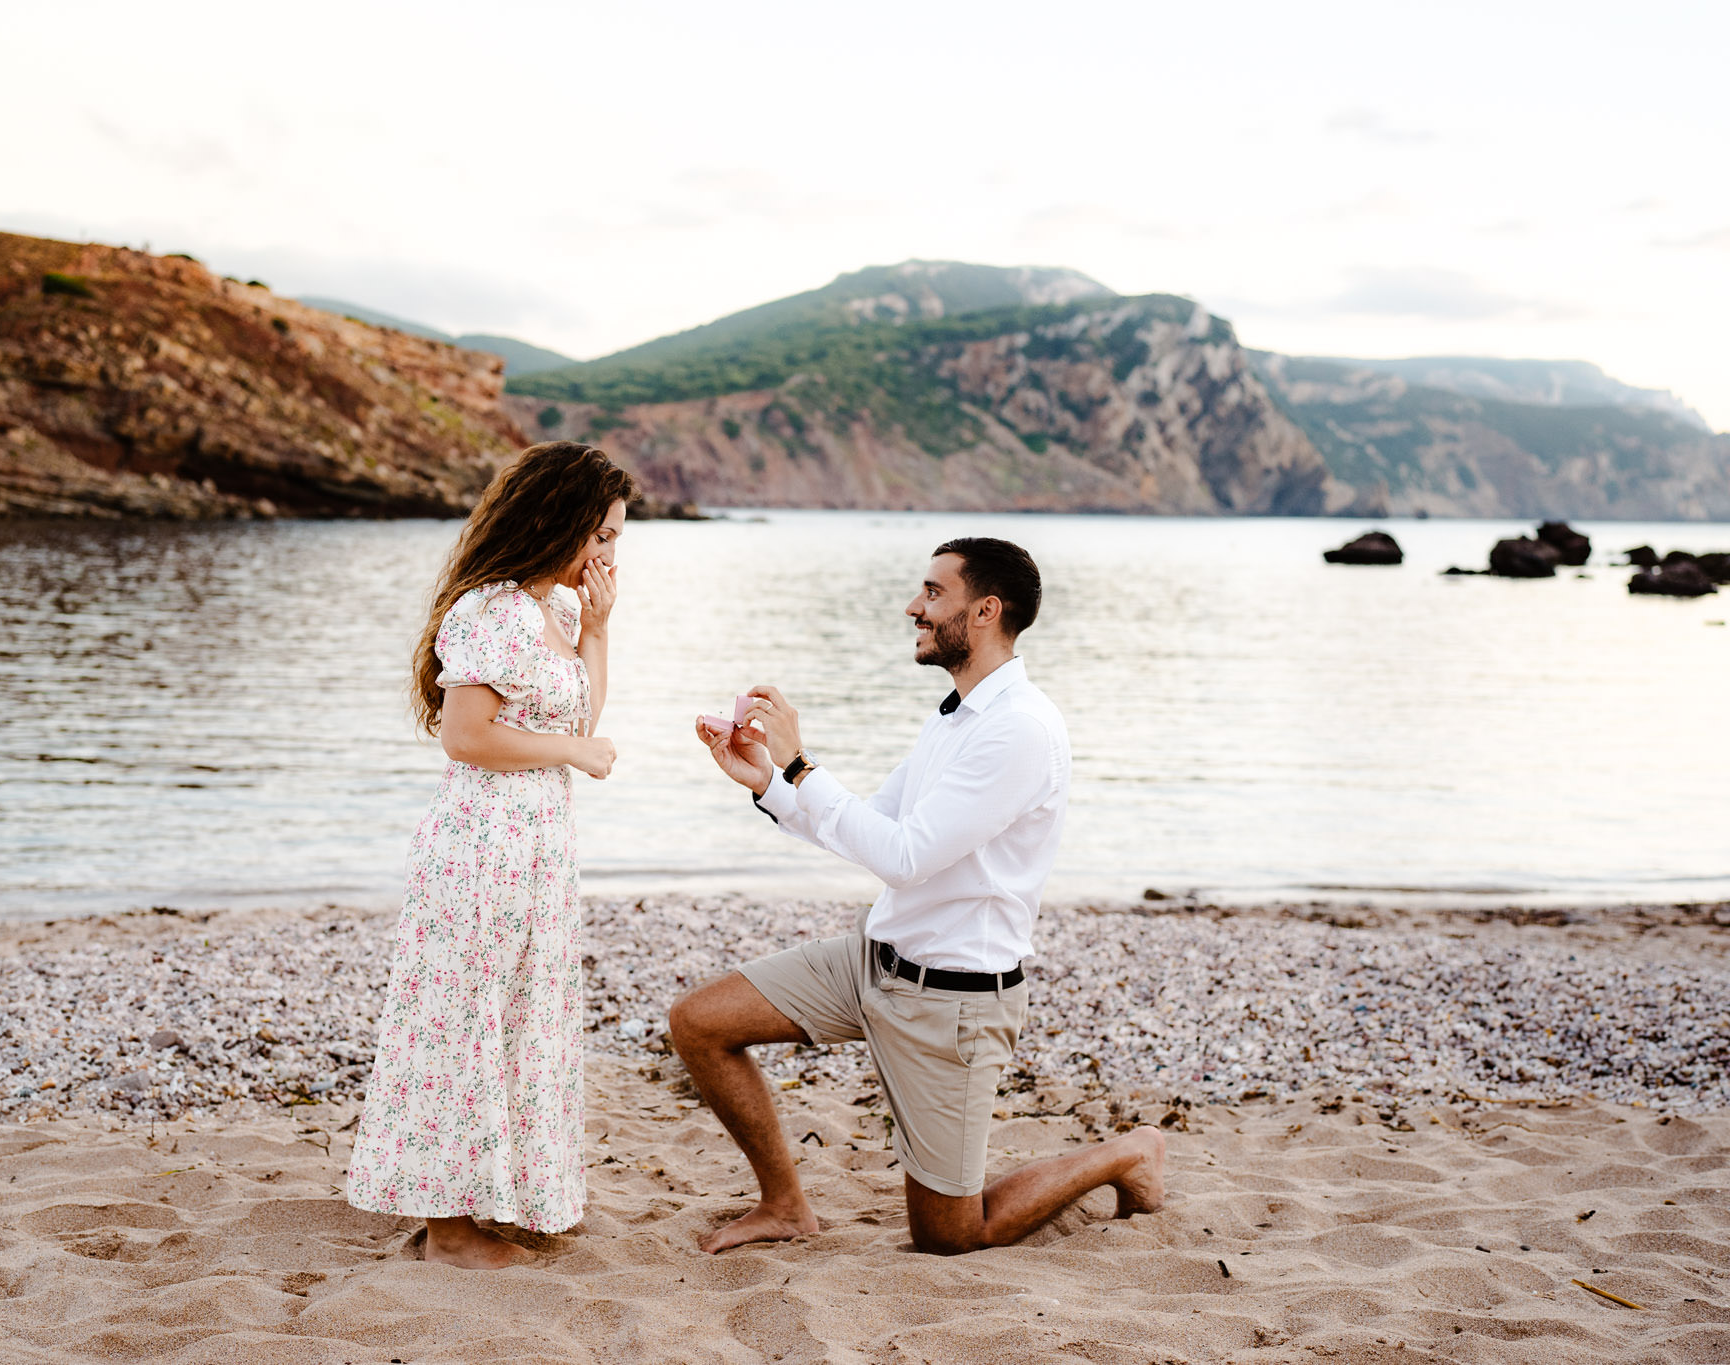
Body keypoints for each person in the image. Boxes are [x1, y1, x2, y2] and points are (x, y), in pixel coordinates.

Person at [674, 536, 1164, 1256]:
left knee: (950, 1233)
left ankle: (1129, 1153)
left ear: (987, 610)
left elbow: (905, 858)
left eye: (933, 593)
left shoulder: (1020, 730)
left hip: (954, 1000)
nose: (915, 606)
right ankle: (784, 1206)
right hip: (877, 961)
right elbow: (875, 829)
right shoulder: (956, 716)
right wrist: (769, 783)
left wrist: (802, 762)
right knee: (700, 1023)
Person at [346, 441, 634, 1269]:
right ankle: (449, 1230)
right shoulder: (494, 611)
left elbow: (577, 715)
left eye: (617, 538)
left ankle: (494, 1197)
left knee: (518, 1021)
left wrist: (601, 633)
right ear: (558, 521)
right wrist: (572, 756)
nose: (610, 554)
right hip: (482, 847)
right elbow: (464, 735)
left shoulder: (563, 611)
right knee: (462, 1023)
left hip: (536, 846)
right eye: (603, 535)